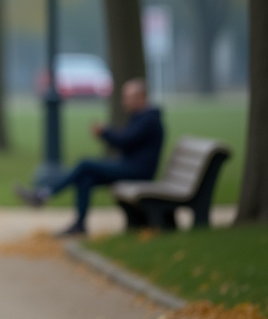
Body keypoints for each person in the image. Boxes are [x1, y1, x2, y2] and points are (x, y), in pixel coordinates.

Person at [15, 78, 164, 236]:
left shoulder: (149, 120)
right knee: (86, 178)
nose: (124, 101)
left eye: (128, 98)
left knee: (85, 164)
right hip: (129, 166)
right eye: (124, 97)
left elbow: (124, 141)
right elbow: (127, 141)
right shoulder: (141, 117)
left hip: (138, 171)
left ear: (141, 98)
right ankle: (79, 224)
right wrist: (106, 133)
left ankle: (44, 194)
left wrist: (104, 132)